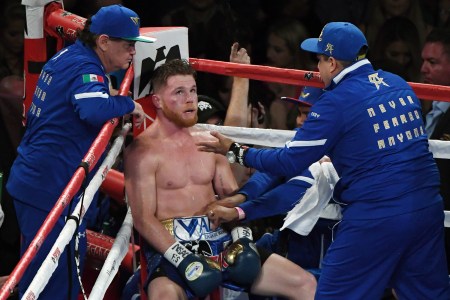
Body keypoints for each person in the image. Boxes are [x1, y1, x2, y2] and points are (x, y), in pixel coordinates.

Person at [197, 22, 450, 299]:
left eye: (318, 60)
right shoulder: (398, 84)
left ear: (332, 62)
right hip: (427, 209)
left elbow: (290, 162)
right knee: (428, 295)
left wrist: (236, 150)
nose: (316, 69)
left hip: (378, 215)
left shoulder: (336, 101)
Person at [123, 59, 316, 300]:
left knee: (306, 284)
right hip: (172, 247)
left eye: (193, 90)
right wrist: (183, 260)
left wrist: (242, 238)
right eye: (179, 92)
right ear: (158, 101)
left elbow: (231, 200)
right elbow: (143, 219)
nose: (190, 99)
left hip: (220, 240)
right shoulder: (142, 152)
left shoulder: (209, 141)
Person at [6, 4, 151, 299]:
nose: (132, 52)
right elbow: (94, 109)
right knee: (56, 281)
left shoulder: (71, 56)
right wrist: (128, 103)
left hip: (39, 182)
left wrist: (109, 91)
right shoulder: (85, 66)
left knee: (42, 275)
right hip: (50, 189)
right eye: (127, 45)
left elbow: (87, 96)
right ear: (104, 41)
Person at [203, 87, 339, 272]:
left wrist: (238, 211)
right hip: (295, 231)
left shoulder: (339, 147)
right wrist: (241, 197)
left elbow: (299, 189)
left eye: (307, 114)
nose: (300, 121)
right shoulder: (301, 138)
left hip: (327, 235)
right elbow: (272, 169)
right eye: (299, 114)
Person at [421, 28, 450, 272]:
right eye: (423, 61)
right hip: (427, 222)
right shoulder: (426, 107)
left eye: (432, 62)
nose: (423, 69)